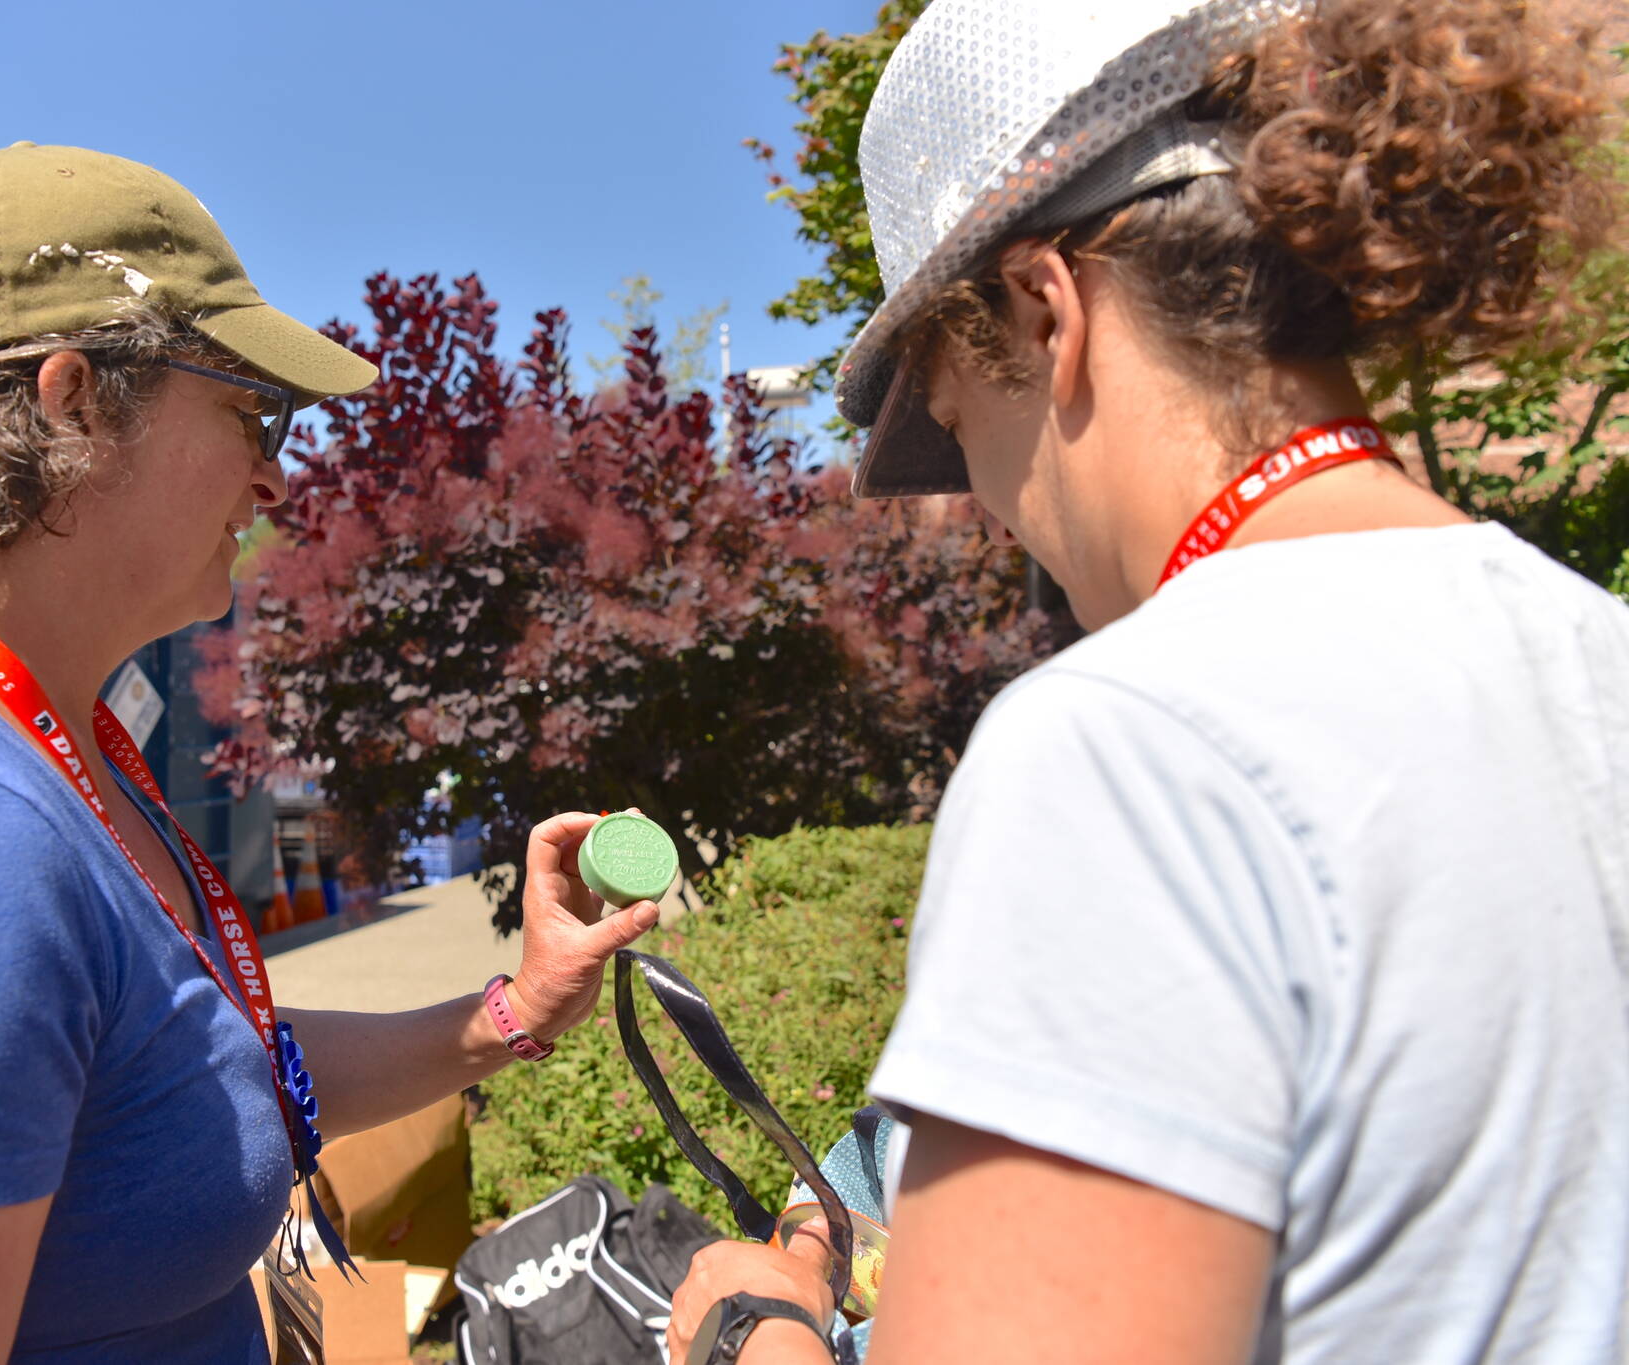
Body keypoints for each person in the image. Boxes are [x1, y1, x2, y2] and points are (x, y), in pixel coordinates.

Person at [664, 0, 1629, 1361]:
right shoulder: (1594, 648)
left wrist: (757, 1326)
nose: (995, 506)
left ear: (1045, 307)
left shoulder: (1128, 750)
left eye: (958, 428)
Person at [0, 142, 660, 1364]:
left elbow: (190, 1072)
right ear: (71, 400)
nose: (274, 476)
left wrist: (508, 1012)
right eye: (250, 412)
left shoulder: (33, 743)